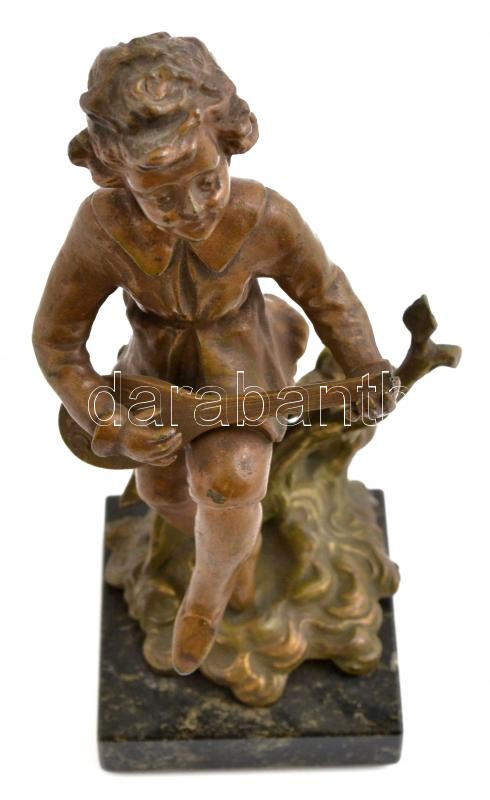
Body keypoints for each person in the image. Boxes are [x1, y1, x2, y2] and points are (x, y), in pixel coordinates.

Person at [33, 33, 396, 675]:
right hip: (154, 377)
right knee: (163, 489)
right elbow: (57, 340)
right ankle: (228, 548)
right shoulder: (101, 228)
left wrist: (366, 367)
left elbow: (327, 291)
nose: (192, 209)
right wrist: (109, 421)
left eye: (207, 182)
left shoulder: (264, 216)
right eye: (161, 198)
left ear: (228, 143)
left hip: (242, 362)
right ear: (121, 179)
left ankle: (212, 588)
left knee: (230, 479)